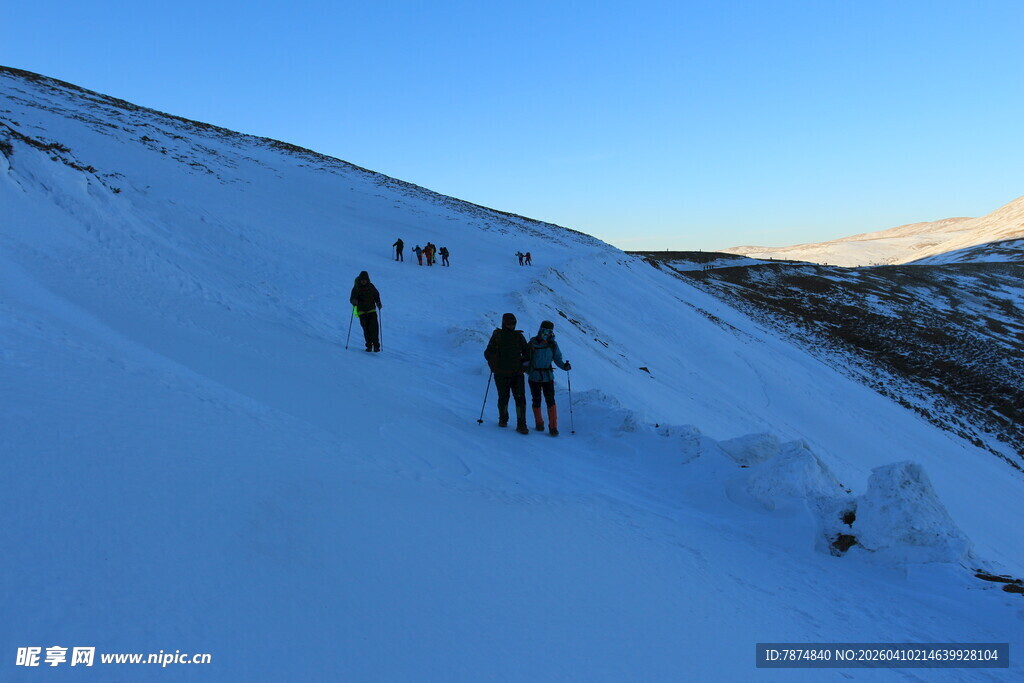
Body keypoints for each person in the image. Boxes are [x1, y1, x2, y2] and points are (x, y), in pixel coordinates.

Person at [484, 313, 532, 434]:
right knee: (512, 398)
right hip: (510, 373)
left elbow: (488, 353)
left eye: (513, 323)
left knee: (511, 398)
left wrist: (494, 365)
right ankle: (508, 421)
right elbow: (488, 353)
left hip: (507, 373)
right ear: (504, 323)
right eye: (509, 323)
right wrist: (523, 366)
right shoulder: (514, 336)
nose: (512, 325)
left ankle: (517, 423)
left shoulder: (499, 335)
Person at [526, 320, 570, 435]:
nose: (546, 333)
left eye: (549, 331)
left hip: (546, 376)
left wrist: (564, 366)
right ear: (540, 330)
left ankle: (553, 427)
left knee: (550, 400)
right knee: (537, 399)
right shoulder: (532, 344)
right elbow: (526, 359)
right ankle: (539, 423)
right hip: (536, 376)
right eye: (544, 331)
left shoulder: (552, 345)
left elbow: (557, 359)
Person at [349, 271, 382, 352]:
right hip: (361, 312)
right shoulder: (356, 288)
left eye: (365, 280)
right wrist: (354, 301)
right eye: (362, 280)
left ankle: (376, 346)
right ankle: (369, 345)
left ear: (367, 279)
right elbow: (352, 297)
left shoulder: (371, 286)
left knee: (374, 328)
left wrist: (378, 302)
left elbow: (376, 295)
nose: (363, 281)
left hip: (371, 310)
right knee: (366, 329)